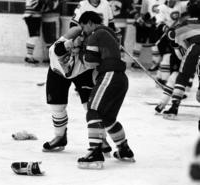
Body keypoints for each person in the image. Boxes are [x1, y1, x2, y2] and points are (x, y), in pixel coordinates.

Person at [77, 11, 135, 169]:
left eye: (83, 27)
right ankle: (124, 150)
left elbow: (91, 61)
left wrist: (79, 51)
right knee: (108, 118)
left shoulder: (96, 34)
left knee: (93, 111)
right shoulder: (108, 33)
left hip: (109, 76)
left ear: (89, 22)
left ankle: (95, 152)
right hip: (121, 79)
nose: (83, 31)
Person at [42, 26, 112, 156]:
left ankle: (100, 138)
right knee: (57, 106)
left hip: (82, 71)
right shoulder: (58, 49)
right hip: (58, 72)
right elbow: (65, 43)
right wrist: (74, 43)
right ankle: (59, 137)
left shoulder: (93, 44)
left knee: (91, 106)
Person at [161, 0, 200, 119]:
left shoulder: (187, 23)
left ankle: (174, 107)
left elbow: (173, 37)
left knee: (182, 77)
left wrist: (166, 30)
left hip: (194, 50)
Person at [131, 0, 166, 70]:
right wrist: (141, 20)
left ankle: (157, 63)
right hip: (148, 22)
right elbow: (143, 13)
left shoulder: (165, 1)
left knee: (156, 44)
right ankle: (135, 61)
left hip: (160, 24)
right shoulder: (147, 1)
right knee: (140, 42)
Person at [23, 0, 44, 64]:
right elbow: (37, 5)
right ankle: (29, 56)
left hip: (32, 16)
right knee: (34, 37)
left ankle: (29, 56)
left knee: (33, 37)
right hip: (32, 16)